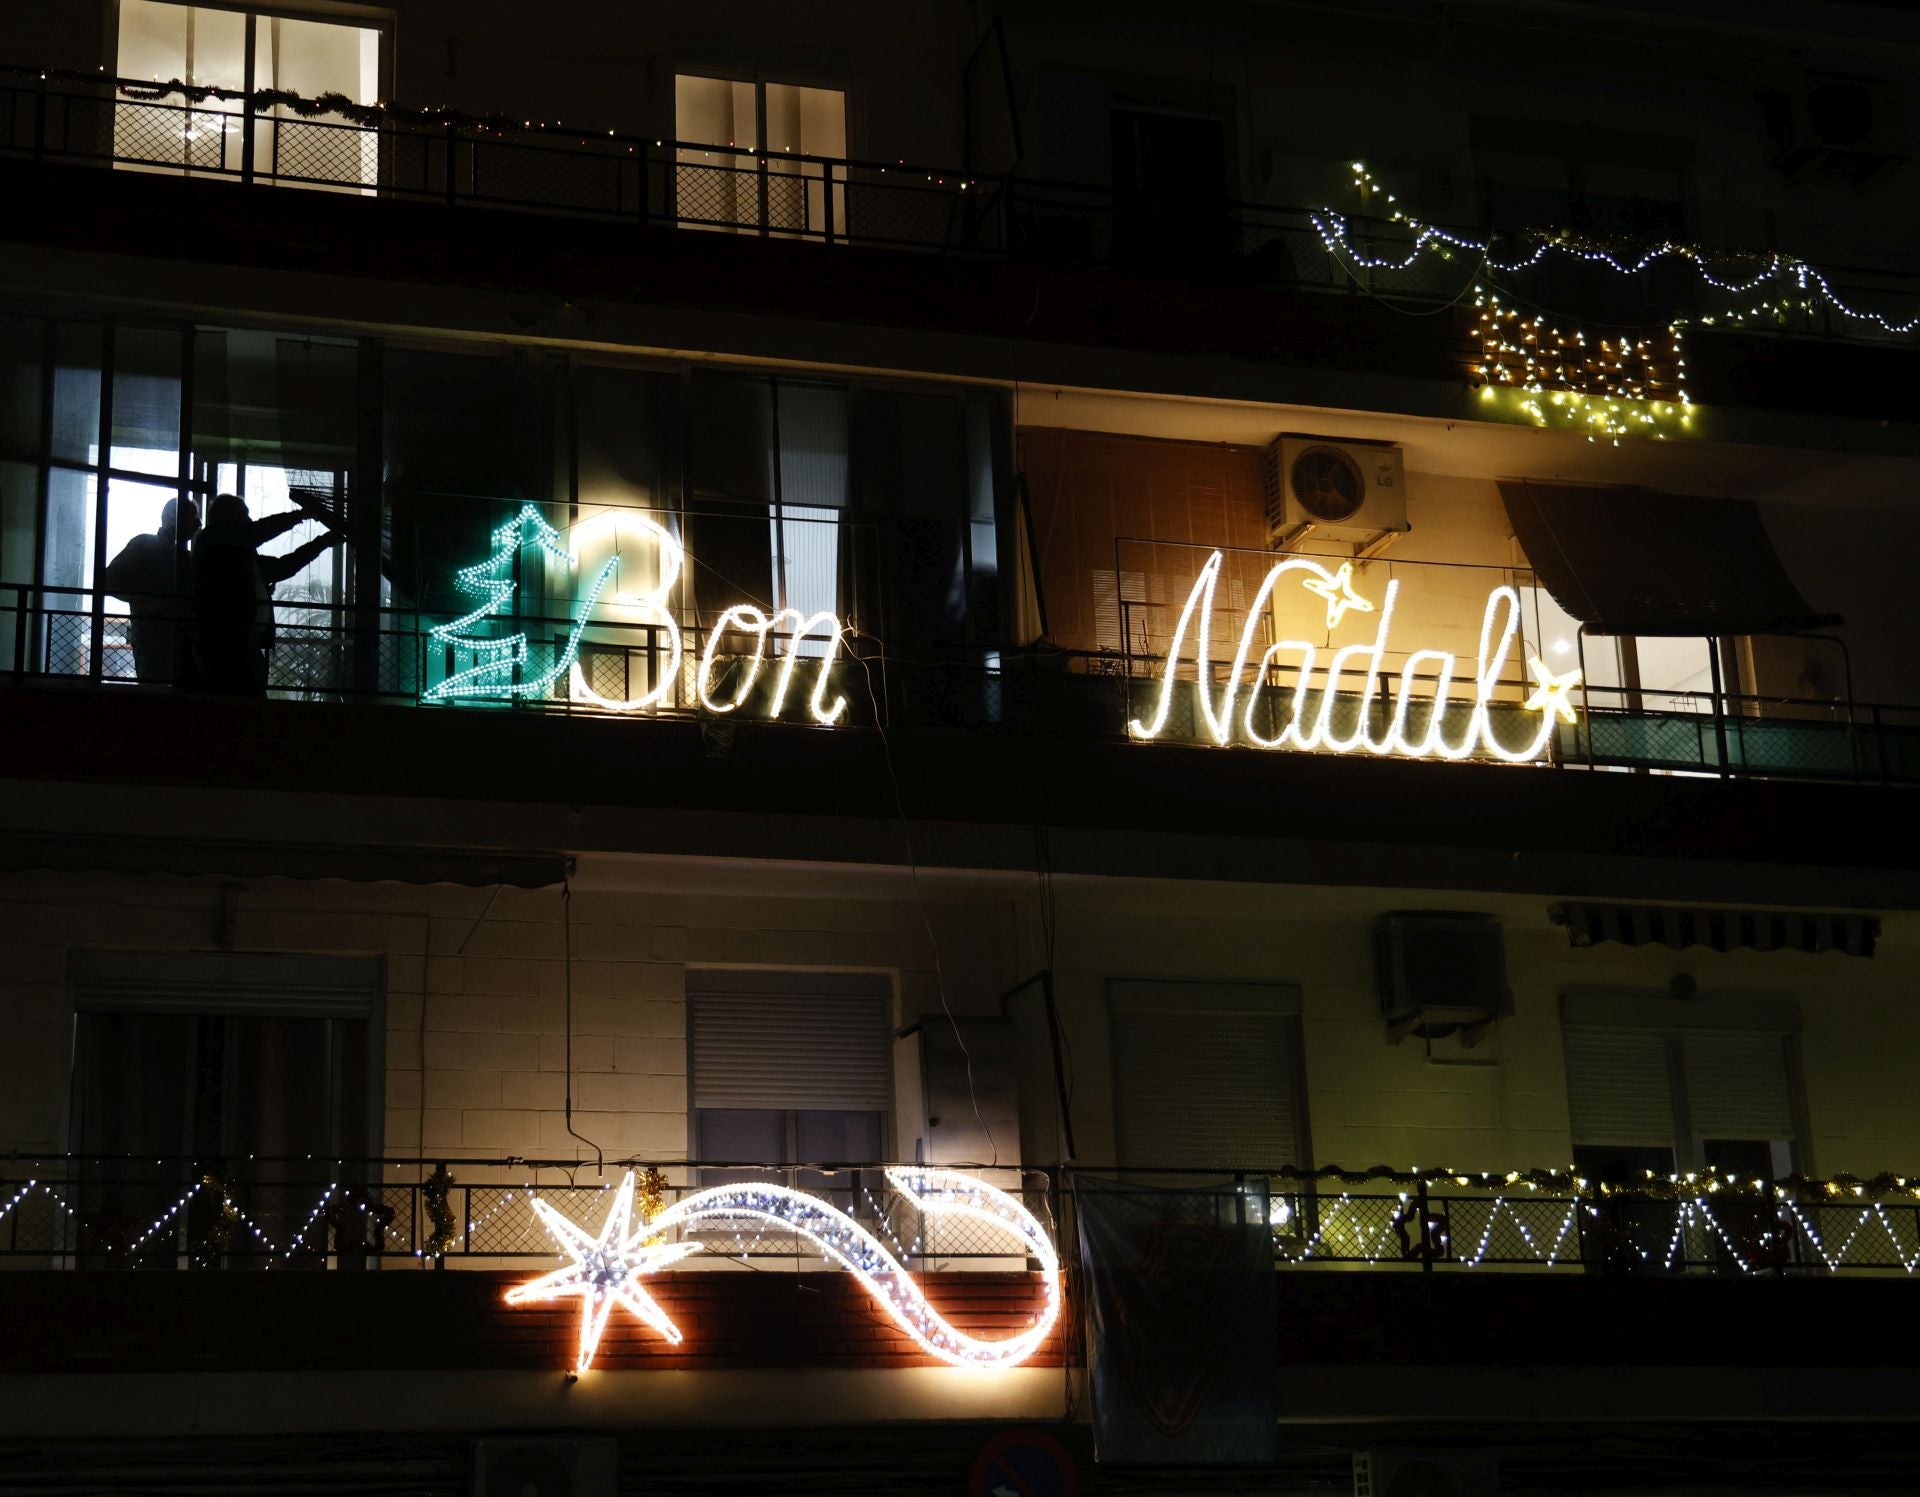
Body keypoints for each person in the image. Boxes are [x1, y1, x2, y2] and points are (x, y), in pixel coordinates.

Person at [192, 493, 337, 696]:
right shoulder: (222, 541)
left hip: (230, 642)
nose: (249, 521)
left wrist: (317, 536)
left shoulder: (219, 545)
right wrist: (312, 530)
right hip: (231, 644)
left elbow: (279, 564)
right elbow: (279, 563)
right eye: (244, 516)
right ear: (229, 518)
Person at [100, 498, 199, 684]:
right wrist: (150, 601)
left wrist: (146, 601)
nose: (198, 523)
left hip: (153, 640)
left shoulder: (146, 546)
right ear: (176, 520)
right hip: (172, 643)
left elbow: (108, 580)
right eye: (193, 516)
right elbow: (108, 581)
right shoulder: (183, 558)